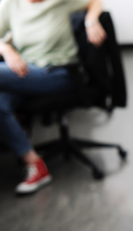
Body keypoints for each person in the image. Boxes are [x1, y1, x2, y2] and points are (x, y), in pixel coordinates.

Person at [0, 0, 106, 194]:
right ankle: (35, 164)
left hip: (58, 73)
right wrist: (6, 49)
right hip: (26, 73)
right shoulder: (11, 5)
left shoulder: (60, 1)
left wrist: (91, 20)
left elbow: (95, 1)